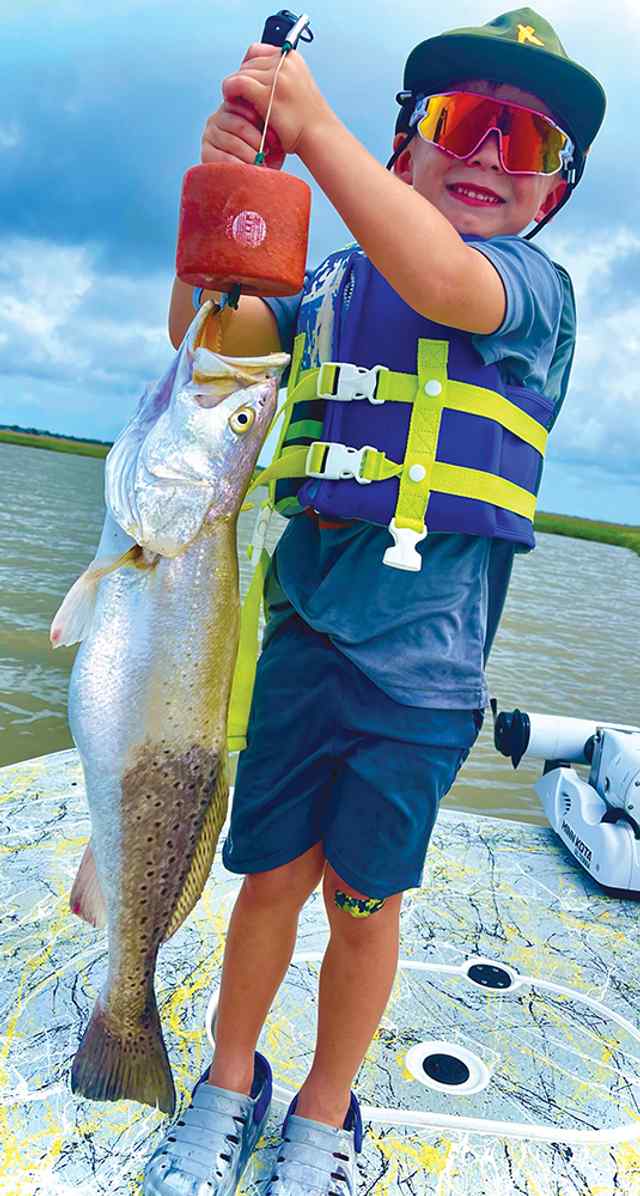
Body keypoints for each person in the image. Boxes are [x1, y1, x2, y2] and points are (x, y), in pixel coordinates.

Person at [144, 9, 605, 1195]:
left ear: (553, 196)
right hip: (302, 636)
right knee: (272, 878)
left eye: (530, 145)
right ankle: (228, 1081)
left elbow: (441, 277)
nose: (492, 155)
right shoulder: (331, 280)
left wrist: (315, 125)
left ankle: (323, 1111)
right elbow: (213, 344)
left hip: (423, 677)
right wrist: (227, 193)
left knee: (363, 899)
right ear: (407, 149)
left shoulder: (531, 296)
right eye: (463, 122)